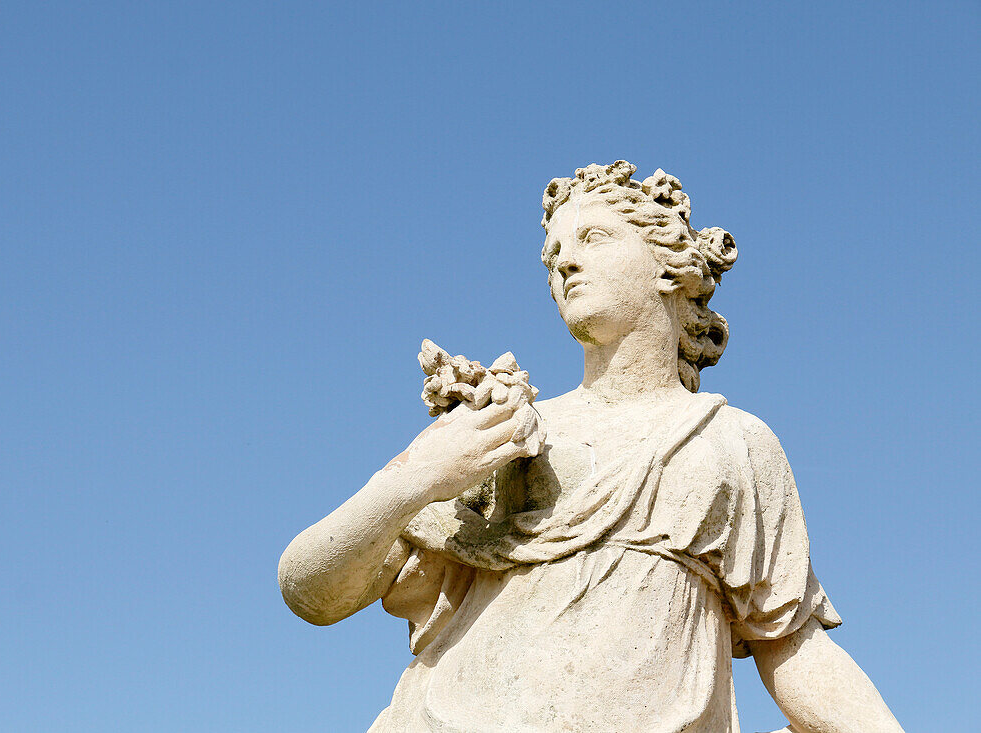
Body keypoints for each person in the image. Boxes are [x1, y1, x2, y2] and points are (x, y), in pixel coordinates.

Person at [278, 162, 903, 732]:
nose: (563, 265)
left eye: (593, 239)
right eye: (552, 256)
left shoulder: (732, 444)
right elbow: (310, 590)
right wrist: (418, 476)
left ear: (669, 262)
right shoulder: (501, 433)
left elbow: (791, 646)